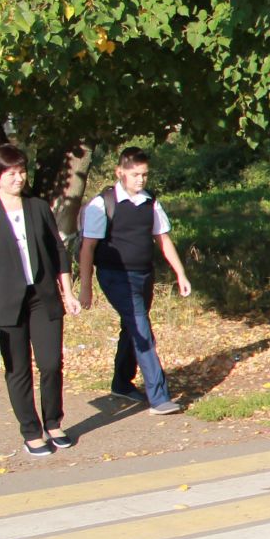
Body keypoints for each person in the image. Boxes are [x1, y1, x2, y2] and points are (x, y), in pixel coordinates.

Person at [0, 143, 83, 456]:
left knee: (51, 363)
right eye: (11, 172)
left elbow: (58, 250)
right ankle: (31, 431)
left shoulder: (38, 207)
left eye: (21, 171)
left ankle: (54, 422)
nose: (19, 177)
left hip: (42, 297)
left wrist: (67, 292)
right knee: (18, 370)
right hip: (3, 301)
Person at [76, 146, 193, 416]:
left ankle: (121, 382)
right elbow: (87, 249)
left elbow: (162, 239)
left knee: (132, 326)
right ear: (120, 173)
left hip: (143, 274)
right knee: (142, 329)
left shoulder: (150, 201)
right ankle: (159, 397)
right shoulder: (101, 204)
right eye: (135, 174)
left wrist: (180, 273)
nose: (140, 179)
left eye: (144, 174)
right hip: (115, 276)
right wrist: (85, 288)